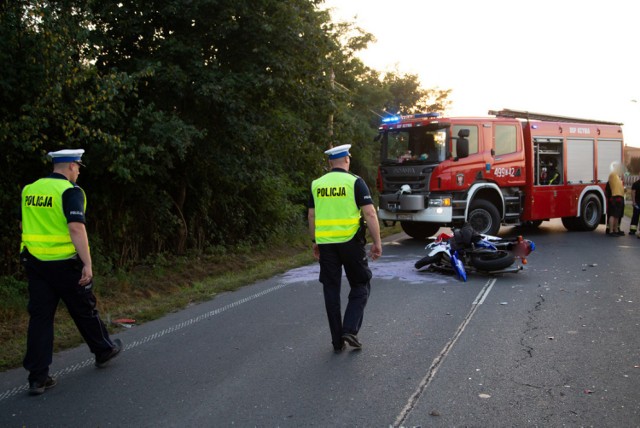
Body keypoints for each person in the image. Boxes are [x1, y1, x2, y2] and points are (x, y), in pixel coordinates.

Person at [20, 149, 122, 396]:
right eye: (78, 166)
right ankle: (103, 349)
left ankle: (37, 378)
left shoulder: (30, 189)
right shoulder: (70, 191)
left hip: (35, 262)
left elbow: (24, 223)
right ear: (69, 166)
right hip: (65, 263)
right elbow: (76, 228)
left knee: (40, 318)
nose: (78, 171)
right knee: (84, 309)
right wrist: (87, 263)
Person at [308, 144, 382, 353]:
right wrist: (377, 242)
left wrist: (314, 241)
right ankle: (350, 329)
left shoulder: (317, 184)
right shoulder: (355, 182)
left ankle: (336, 341)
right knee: (361, 283)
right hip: (350, 243)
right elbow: (369, 213)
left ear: (330, 163)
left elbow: (312, 215)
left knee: (331, 290)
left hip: (326, 246)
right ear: (347, 160)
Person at [606, 162, 625, 237]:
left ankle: (616, 230)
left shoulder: (617, 176)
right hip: (615, 197)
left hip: (619, 197)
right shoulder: (613, 175)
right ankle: (611, 231)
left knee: (617, 215)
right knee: (613, 215)